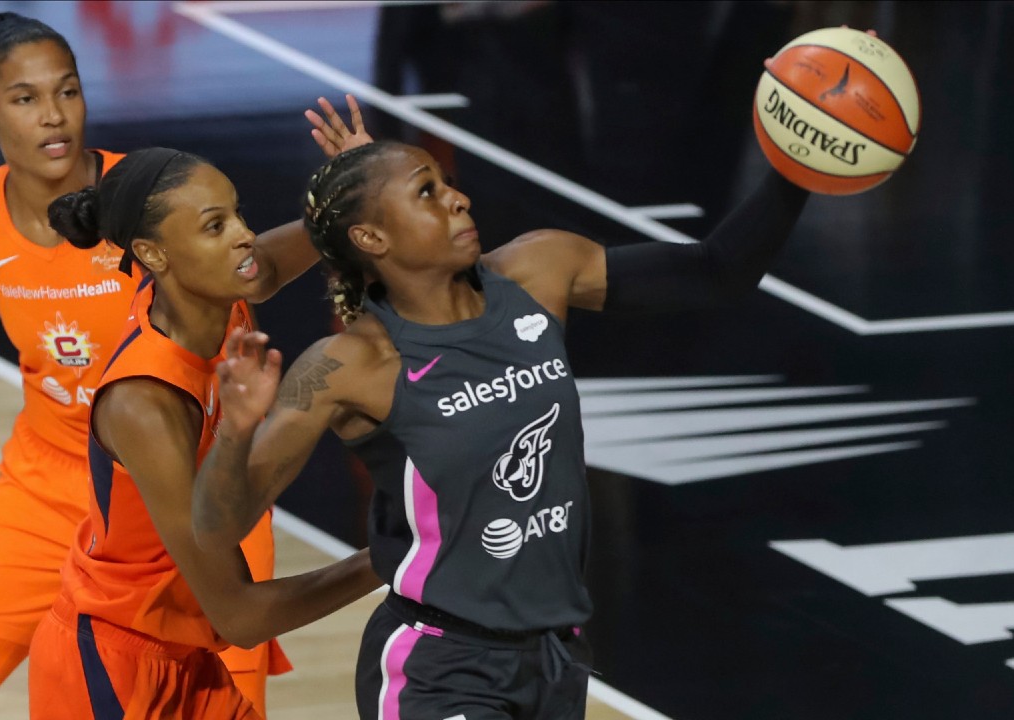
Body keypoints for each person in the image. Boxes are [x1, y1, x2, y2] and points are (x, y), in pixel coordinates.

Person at [191, 125, 810, 715]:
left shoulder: (539, 270)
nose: (457, 199)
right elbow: (220, 524)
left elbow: (714, 272)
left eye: (446, 182)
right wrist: (237, 429)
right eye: (426, 192)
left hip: (555, 656)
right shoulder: (349, 366)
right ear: (373, 239)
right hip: (441, 666)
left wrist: (796, 167)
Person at [0, 11, 367, 717]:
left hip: (203, 490)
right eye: (25, 98)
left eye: (67, 91)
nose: (53, 116)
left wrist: (346, 197)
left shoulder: (154, 199)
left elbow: (258, 264)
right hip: (48, 491)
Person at [29, 147, 381, 719]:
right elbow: (241, 617)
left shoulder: (213, 293)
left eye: (237, 214)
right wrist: (391, 558)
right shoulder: (144, 404)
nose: (245, 235)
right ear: (151, 254)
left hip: (187, 654)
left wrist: (360, 185)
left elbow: (277, 262)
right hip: (113, 672)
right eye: (216, 226)